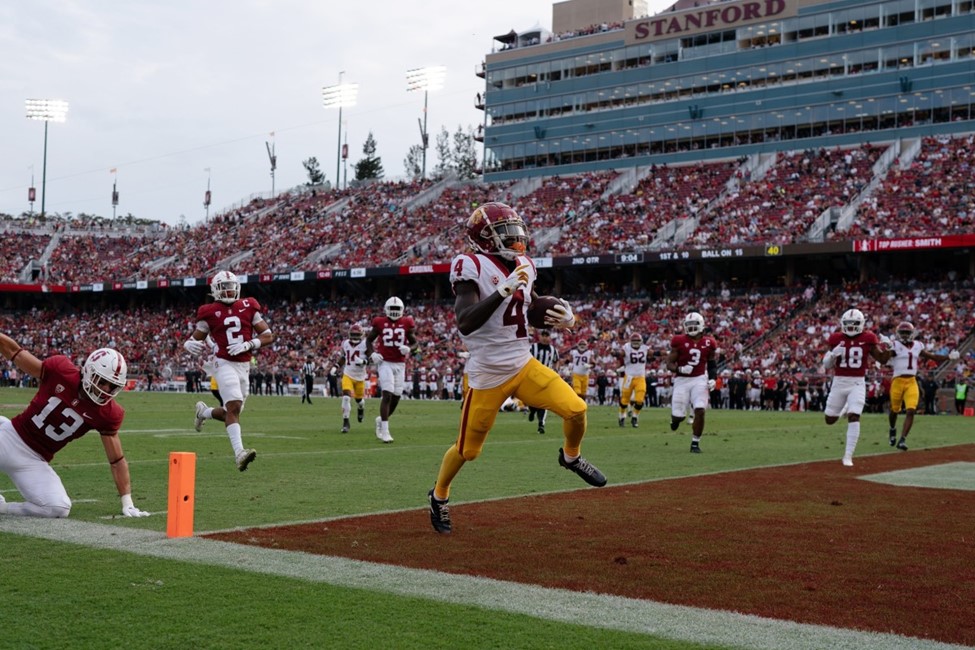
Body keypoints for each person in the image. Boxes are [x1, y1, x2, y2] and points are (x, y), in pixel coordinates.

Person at [428, 202, 606, 535]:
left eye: (515, 231)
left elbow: (528, 304)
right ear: (483, 238)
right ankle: (439, 496)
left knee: (576, 409)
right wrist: (503, 288)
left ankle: (570, 457)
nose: (515, 239)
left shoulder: (524, 263)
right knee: (468, 450)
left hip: (523, 363)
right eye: (505, 233)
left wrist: (559, 317)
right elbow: (466, 322)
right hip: (487, 374)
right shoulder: (469, 264)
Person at [0, 335, 148, 519]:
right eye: (101, 381)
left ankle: (3, 508)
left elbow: (117, 460)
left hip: (35, 460)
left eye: (112, 386)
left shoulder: (108, 413)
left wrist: (128, 502)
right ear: (88, 371)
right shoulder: (61, 371)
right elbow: (16, 353)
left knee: (58, 507)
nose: (105, 390)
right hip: (11, 437)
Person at [184, 270, 274, 472]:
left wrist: (250, 344)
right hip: (223, 363)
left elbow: (268, 335)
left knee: (231, 412)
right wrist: (187, 344)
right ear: (216, 290)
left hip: (243, 366)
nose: (228, 290)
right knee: (233, 406)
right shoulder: (208, 311)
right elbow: (196, 338)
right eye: (223, 287)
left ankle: (203, 412)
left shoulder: (249, 305)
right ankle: (239, 453)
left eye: (230, 286)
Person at [821, 308, 890, 467]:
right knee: (829, 419)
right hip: (839, 382)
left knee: (855, 415)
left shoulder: (869, 337)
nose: (851, 327)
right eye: (848, 324)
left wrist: (890, 348)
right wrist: (832, 355)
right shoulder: (836, 338)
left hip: (857, 382)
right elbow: (826, 364)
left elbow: (881, 358)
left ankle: (848, 456)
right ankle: (844, 407)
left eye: (854, 324)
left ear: (861, 324)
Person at [884, 321, 958, 450]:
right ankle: (892, 428)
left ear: (912, 334)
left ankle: (902, 439)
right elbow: (884, 359)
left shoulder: (918, 345)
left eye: (907, 333)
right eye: (903, 333)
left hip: (911, 380)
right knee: (894, 410)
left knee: (911, 410)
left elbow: (933, 356)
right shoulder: (894, 345)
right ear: (898, 333)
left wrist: (948, 357)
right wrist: (886, 348)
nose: (905, 335)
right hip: (897, 381)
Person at [365, 296, 417, 444]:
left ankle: (381, 420)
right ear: (386, 309)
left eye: (396, 309)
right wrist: (372, 354)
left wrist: (409, 348)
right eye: (392, 309)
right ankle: (385, 431)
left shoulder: (407, 322)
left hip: (400, 364)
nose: (394, 312)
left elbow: (415, 344)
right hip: (385, 362)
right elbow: (369, 340)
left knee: (396, 396)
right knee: (387, 394)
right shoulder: (380, 322)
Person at [667, 312, 719, 453]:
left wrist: (714, 379)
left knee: (700, 410)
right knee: (679, 416)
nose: (691, 328)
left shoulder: (709, 343)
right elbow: (669, 364)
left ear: (701, 325)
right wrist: (680, 368)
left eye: (694, 325)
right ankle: (675, 421)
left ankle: (695, 443)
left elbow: (712, 364)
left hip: (700, 379)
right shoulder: (678, 340)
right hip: (681, 380)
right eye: (688, 325)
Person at [527, 329, 559, 434]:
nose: (545, 338)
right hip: (534, 377)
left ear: (550, 337)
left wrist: (555, 371)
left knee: (544, 402)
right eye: (543, 335)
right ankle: (532, 410)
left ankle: (541, 424)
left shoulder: (553, 350)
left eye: (547, 336)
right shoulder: (533, 348)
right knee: (531, 400)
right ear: (540, 337)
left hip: (547, 378)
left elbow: (556, 361)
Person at [338, 323, 368, 433]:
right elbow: (343, 357)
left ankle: (361, 408)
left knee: (359, 400)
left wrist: (364, 361)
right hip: (348, 374)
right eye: (353, 334)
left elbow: (373, 359)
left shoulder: (365, 344)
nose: (355, 337)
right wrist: (336, 366)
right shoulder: (345, 343)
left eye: (357, 335)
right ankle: (346, 422)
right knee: (346, 397)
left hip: (360, 377)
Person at [618, 332, 650, 428]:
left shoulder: (645, 348)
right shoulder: (626, 347)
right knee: (624, 399)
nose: (636, 342)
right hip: (629, 377)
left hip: (640, 377)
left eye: (637, 341)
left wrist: (663, 353)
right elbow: (621, 354)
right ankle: (622, 416)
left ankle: (635, 416)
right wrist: (616, 353)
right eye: (634, 341)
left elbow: (654, 353)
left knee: (640, 399)